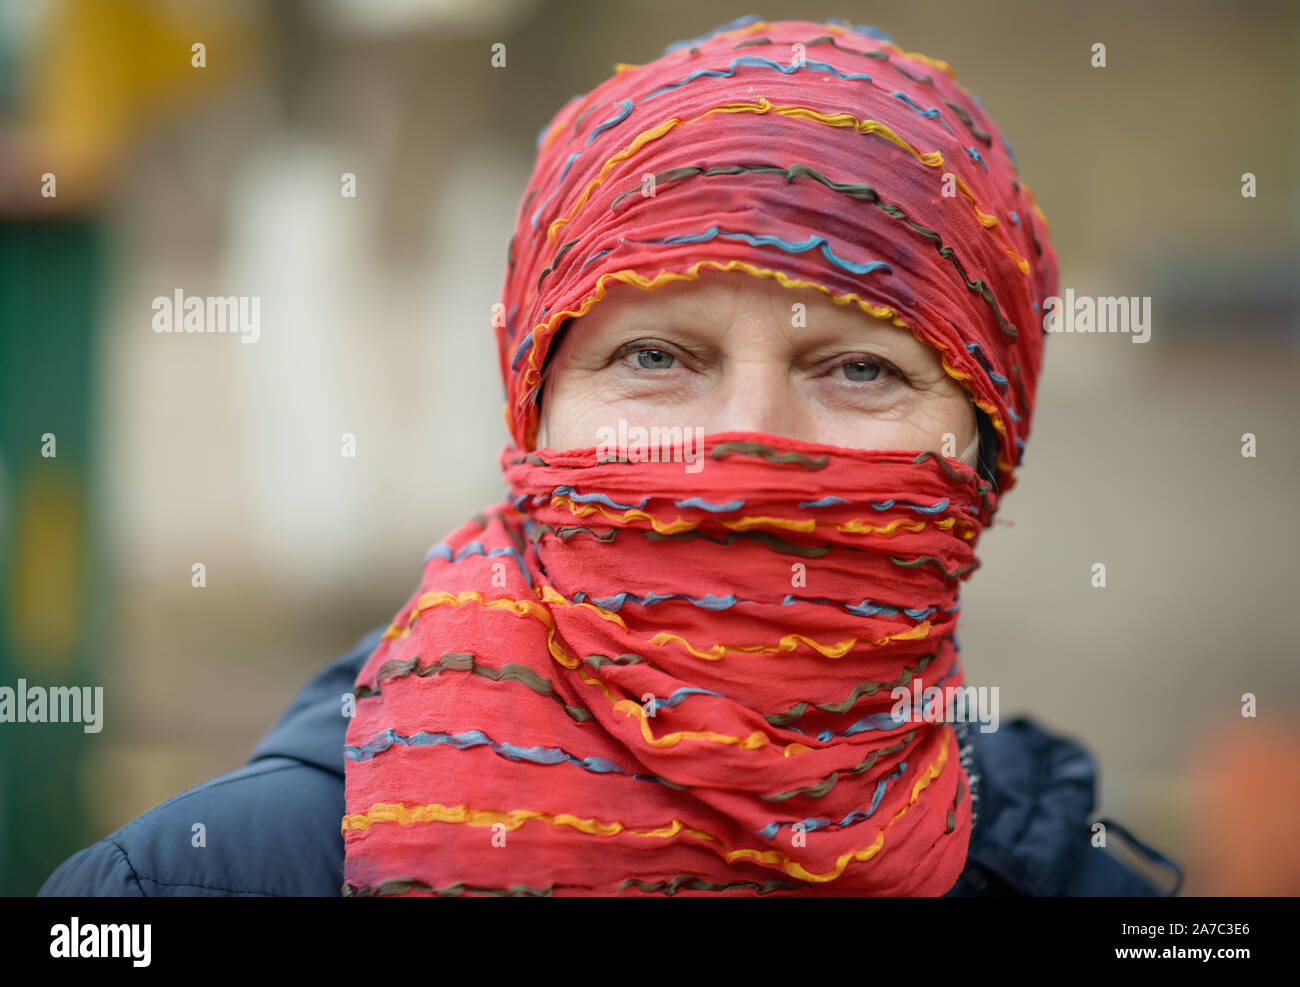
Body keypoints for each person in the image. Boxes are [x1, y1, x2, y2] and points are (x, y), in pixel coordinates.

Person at [40, 14, 1181, 897]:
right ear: (532, 412)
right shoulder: (201, 883)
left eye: (860, 369)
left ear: (986, 445)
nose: (749, 441)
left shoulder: (1066, 873)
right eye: (654, 355)